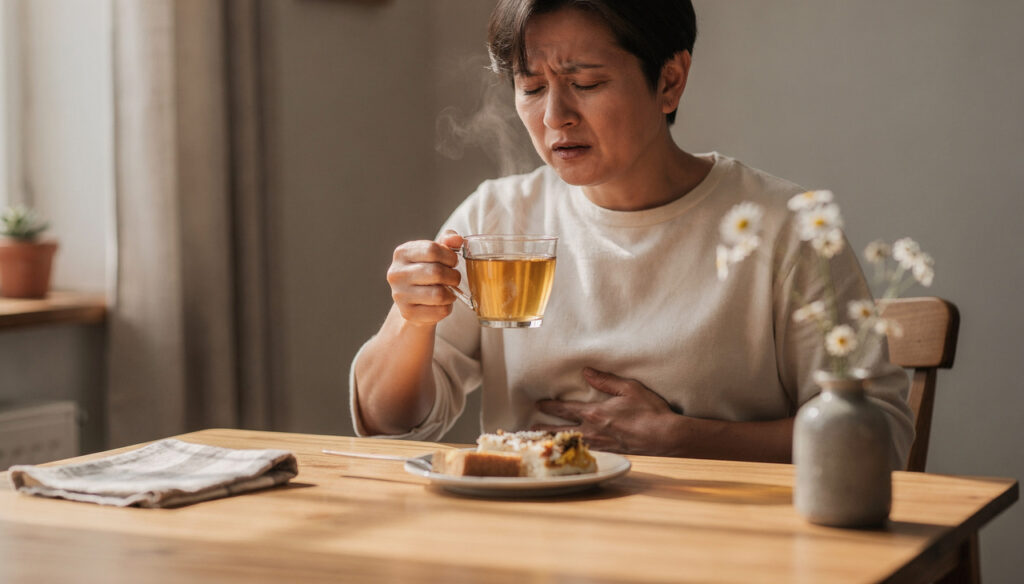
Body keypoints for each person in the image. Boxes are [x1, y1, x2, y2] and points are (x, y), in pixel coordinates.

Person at [350, 0, 914, 468]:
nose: (555, 118)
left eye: (586, 83)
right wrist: (411, 321)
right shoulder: (498, 218)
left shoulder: (785, 226)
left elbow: (878, 438)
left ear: (669, 82)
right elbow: (387, 427)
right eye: (531, 88)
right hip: (530, 548)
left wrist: (682, 438)